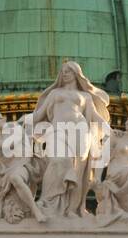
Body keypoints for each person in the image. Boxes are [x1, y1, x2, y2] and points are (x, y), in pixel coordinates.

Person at [30, 61, 111, 218]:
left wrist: (109, 130)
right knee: (57, 161)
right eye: (63, 71)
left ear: (76, 74)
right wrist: (21, 123)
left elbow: (94, 116)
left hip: (80, 131)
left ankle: (72, 209)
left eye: (69, 71)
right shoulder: (54, 94)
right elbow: (38, 116)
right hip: (57, 131)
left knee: (78, 170)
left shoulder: (85, 96)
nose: (65, 73)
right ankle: (47, 202)